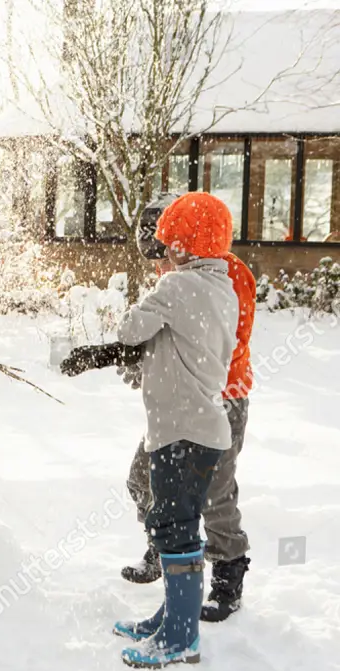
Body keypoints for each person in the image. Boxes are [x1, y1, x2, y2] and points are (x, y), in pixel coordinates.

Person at [61, 192, 255, 623]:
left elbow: (210, 346)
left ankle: (227, 573)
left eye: (165, 251)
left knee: (215, 494)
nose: (158, 263)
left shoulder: (223, 277)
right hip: (179, 409)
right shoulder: (184, 277)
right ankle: (165, 545)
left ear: (187, 244)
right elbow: (167, 334)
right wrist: (136, 359)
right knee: (141, 480)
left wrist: (157, 354)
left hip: (221, 399)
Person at [110, 192, 239, 668]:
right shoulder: (221, 287)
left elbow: (129, 329)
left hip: (180, 432)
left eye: (169, 244)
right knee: (178, 526)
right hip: (199, 430)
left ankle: (181, 636)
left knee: (174, 530)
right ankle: (171, 617)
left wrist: (152, 296)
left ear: (187, 247)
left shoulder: (179, 287)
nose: (163, 253)